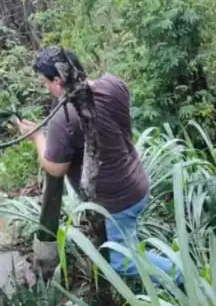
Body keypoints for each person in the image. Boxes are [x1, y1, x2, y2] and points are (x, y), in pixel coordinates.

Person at [16, 47, 182, 285]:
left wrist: (37, 138)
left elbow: (55, 168)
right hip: (137, 182)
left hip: (118, 203)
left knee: (122, 261)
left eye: (46, 82)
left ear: (58, 80)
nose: (46, 88)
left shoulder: (63, 119)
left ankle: (182, 276)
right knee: (126, 240)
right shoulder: (112, 84)